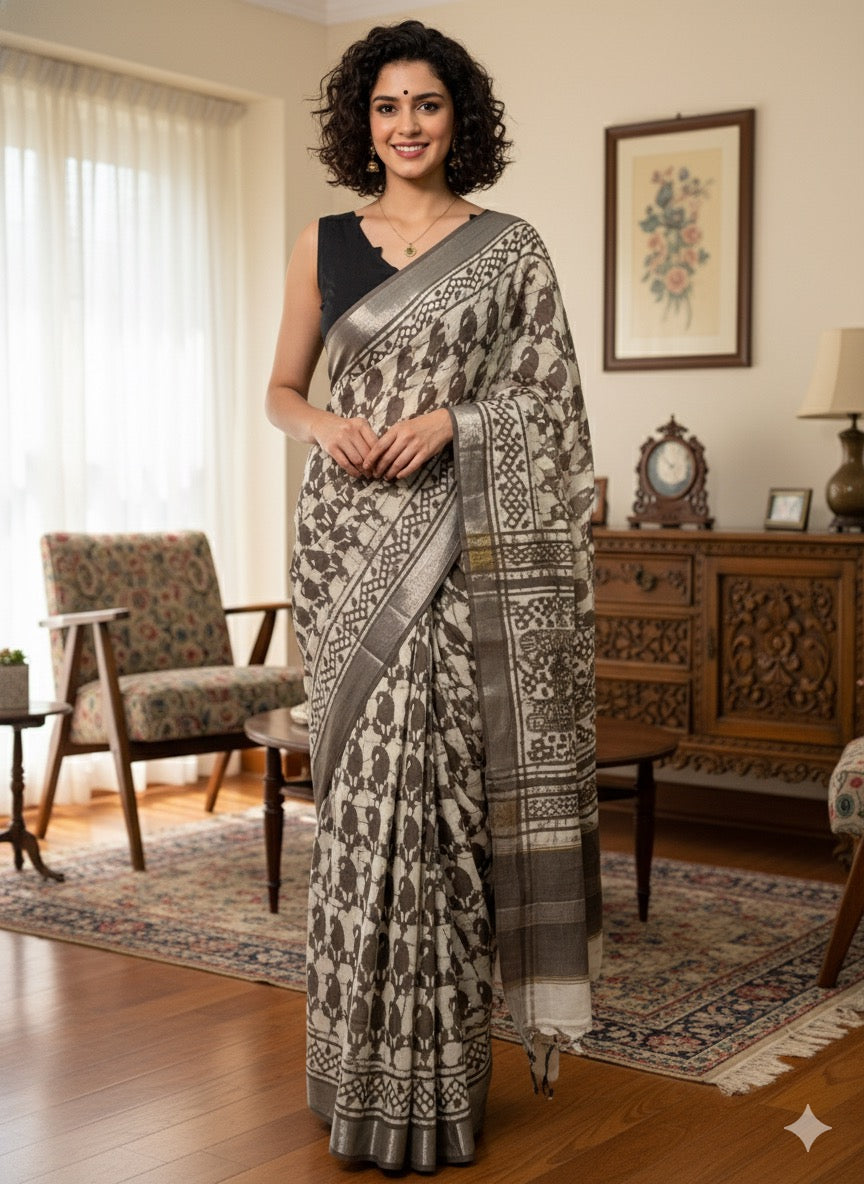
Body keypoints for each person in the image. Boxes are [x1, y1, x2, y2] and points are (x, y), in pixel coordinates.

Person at [265, 19, 602, 1173]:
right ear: (361, 123)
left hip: (464, 555)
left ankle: (441, 1088)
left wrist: (456, 419)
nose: (406, 125)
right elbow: (280, 388)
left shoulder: (509, 250)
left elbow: (551, 410)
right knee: (361, 809)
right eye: (386, 106)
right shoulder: (324, 242)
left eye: (427, 104)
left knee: (447, 805)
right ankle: (354, 1080)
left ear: (460, 118)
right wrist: (324, 424)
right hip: (345, 545)